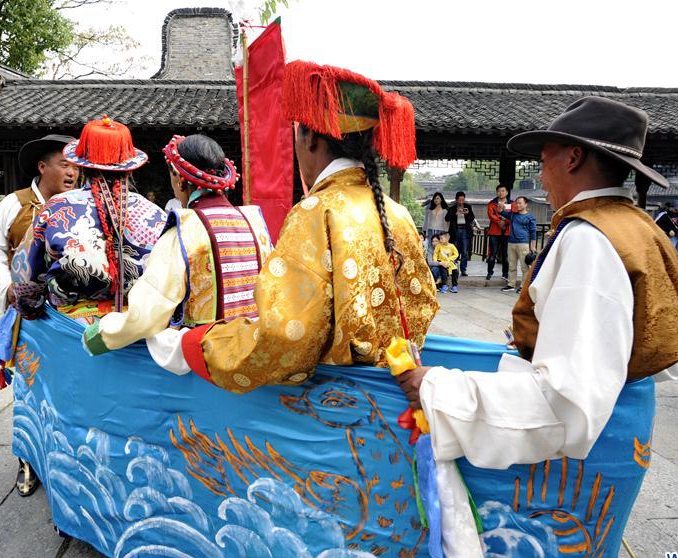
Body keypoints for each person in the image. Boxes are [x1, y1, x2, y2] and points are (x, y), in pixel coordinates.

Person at [394, 96, 678, 558]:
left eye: (546, 155)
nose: (542, 167)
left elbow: (565, 399)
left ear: (573, 157)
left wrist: (437, 386)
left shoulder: (590, 241)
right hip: (626, 414)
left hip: (590, 437)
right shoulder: (641, 228)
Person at [174, 61, 438, 392]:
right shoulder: (396, 213)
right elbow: (422, 302)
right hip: (398, 392)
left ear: (310, 138)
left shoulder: (316, 212)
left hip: (335, 405)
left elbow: (286, 334)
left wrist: (204, 344)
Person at [82, 134, 273, 371]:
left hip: (208, 357)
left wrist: (102, 334)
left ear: (180, 181)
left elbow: (148, 314)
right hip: (252, 345)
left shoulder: (186, 230)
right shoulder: (254, 222)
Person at [12, 115, 166, 323]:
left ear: (82, 165)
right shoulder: (154, 214)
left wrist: (31, 310)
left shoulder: (57, 208)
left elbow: (25, 279)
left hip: (72, 331)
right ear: (130, 167)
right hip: (136, 327)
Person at [0, 134, 79, 310]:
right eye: (65, 165)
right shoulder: (14, 204)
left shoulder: (82, 207)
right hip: (25, 305)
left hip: (73, 309)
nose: (72, 173)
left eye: (76, 167)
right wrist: (7, 288)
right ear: (42, 167)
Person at [499, 195, 537, 292]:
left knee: (524, 267)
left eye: (520, 203)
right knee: (512, 265)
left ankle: (523, 286)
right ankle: (511, 284)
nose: (518, 205)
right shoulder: (513, 215)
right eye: (516, 203)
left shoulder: (530, 217)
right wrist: (501, 206)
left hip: (523, 243)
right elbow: (501, 212)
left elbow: (533, 232)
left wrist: (533, 246)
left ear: (526, 204)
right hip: (511, 243)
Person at [485, 184, 511, 281]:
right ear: (496, 192)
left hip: (506, 232)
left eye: (503, 191)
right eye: (499, 191)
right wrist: (500, 222)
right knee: (492, 254)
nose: (501, 193)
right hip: (494, 232)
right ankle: (489, 272)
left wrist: (506, 222)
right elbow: (491, 215)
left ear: (507, 192)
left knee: (505, 255)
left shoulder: (510, 204)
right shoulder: (492, 203)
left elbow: (511, 216)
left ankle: (505, 273)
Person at [446, 191, 475, 276]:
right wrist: (455, 214)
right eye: (459, 200)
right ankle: (454, 269)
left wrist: (467, 213)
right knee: (455, 251)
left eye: (463, 200)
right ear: (456, 200)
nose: (461, 202)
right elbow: (447, 218)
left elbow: (472, 218)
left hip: (465, 230)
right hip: (455, 231)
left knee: (465, 251)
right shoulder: (452, 208)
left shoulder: (468, 207)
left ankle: (463, 269)